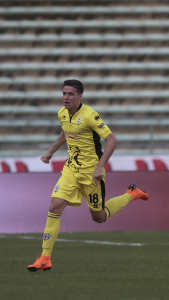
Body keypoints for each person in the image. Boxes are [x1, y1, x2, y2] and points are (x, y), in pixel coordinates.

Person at [27, 79, 149, 272]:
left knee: (99, 217)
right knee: (55, 205)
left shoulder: (90, 116)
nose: (66, 97)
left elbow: (112, 140)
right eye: (64, 94)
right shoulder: (62, 113)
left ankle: (131, 194)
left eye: (70, 94)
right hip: (70, 170)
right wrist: (51, 151)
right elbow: (66, 132)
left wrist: (100, 166)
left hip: (92, 174)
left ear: (80, 96)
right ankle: (44, 258)